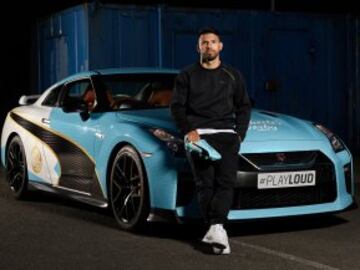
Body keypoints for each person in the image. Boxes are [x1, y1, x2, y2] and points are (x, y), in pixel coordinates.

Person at [170, 27, 251, 255]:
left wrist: (240, 134)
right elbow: (176, 107)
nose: (209, 46)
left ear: (220, 46)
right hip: (199, 137)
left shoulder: (232, 74)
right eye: (204, 43)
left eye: (213, 42)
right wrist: (188, 130)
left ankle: (216, 229)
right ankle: (218, 229)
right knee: (205, 184)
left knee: (225, 183)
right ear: (198, 47)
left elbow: (244, 106)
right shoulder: (187, 75)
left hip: (226, 136)